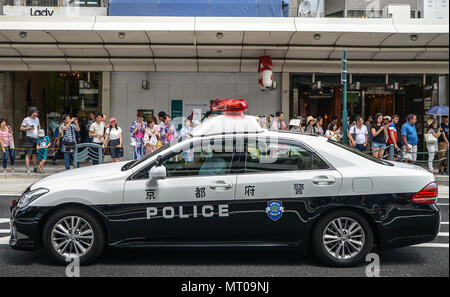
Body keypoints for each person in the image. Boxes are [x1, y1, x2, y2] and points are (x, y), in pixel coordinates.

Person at [20, 107, 40, 174]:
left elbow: (38, 127)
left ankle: (35, 167)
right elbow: (21, 128)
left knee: (35, 154)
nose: (37, 113)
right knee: (28, 154)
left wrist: (39, 132)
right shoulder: (26, 119)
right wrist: (28, 128)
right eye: (36, 112)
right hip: (29, 138)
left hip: (36, 138)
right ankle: (28, 169)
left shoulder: (37, 119)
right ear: (32, 112)